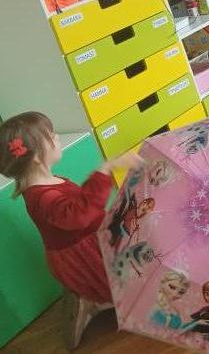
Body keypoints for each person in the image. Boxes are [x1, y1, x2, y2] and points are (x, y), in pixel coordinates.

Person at [0, 112, 143, 346]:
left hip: (88, 243)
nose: (57, 137)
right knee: (125, 278)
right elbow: (79, 215)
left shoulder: (47, 182)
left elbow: (79, 207)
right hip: (83, 258)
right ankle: (97, 300)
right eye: (51, 135)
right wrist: (105, 170)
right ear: (36, 156)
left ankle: (101, 296)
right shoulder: (43, 197)